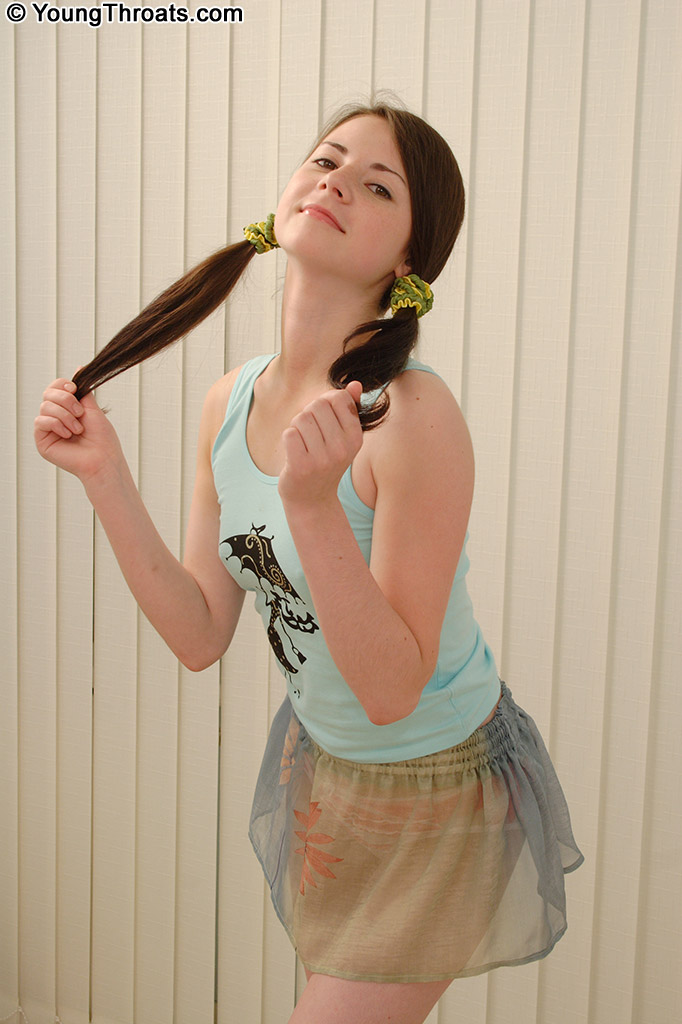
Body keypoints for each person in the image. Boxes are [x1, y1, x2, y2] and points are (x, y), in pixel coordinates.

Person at [34, 102, 582, 1024]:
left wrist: (313, 503)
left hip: (443, 789)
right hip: (326, 772)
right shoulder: (230, 401)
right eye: (327, 161)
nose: (336, 183)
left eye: (378, 186)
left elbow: (392, 690)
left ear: (408, 262)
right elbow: (200, 634)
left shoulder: (411, 417)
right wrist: (104, 476)